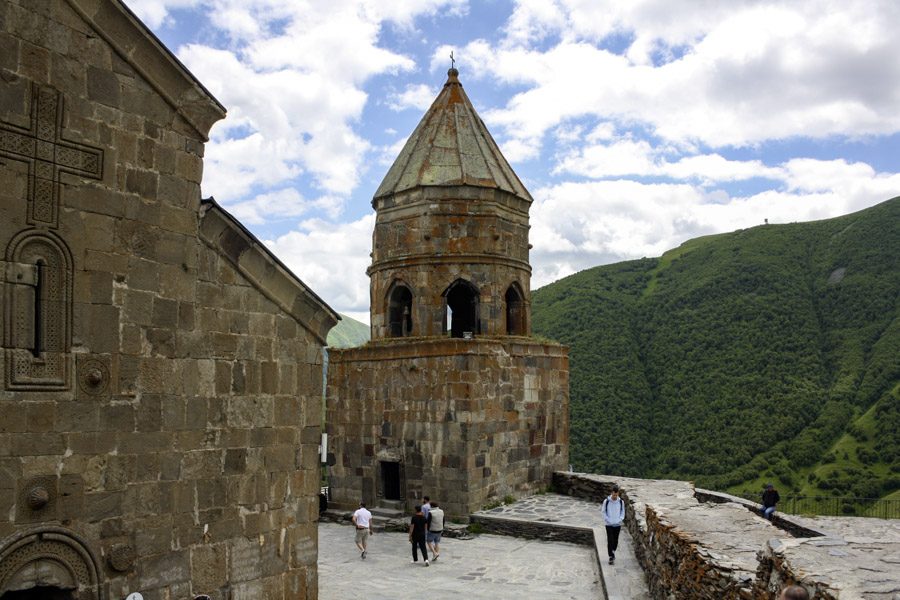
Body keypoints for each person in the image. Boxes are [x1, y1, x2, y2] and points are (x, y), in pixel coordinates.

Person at [602, 486, 625, 565]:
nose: (615, 496)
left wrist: (620, 519)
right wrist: (607, 519)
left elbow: (623, 512)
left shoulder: (621, 502)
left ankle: (613, 551)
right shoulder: (606, 501)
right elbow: (603, 512)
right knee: (610, 539)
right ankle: (611, 556)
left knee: (615, 540)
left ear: (618, 494)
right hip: (609, 524)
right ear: (611, 493)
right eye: (614, 495)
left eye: (616, 495)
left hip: (617, 524)